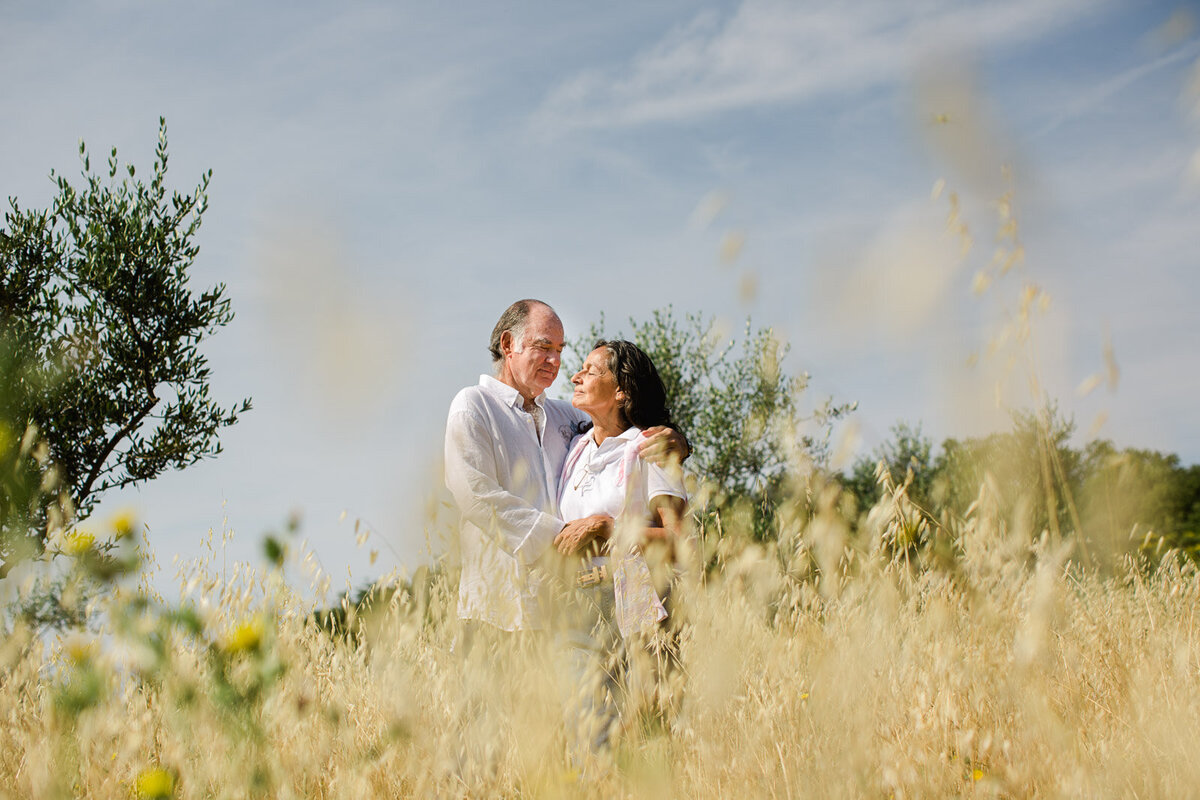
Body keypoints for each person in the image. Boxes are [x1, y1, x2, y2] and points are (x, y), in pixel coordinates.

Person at [443, 300, 687, 640]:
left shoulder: (566, 417)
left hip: (562, 614)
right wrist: (563, 539)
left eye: (559, 350)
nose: (556, 362)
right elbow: (475, 496)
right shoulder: (473, 407)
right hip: (496, 610)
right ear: (508, 344)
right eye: (544, 348)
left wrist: (675, 438)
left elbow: (623, 425)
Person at [553, 339, 688, 759]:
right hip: (576, 605)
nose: (575, 376)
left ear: (622, 391)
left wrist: (609, 528)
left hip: (635, 603)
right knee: (585, 737)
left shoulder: (649, 449)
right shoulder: (571, 449)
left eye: (591, 370)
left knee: (643, 740)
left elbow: (681, 543)